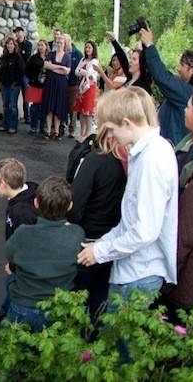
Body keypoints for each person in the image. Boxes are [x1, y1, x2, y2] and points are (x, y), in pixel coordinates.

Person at [77, 87, 179, 311]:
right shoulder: (149, 151)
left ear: (126, 122)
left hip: (139, 273)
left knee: (120, 343)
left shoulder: (151, 160)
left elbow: (144, 231)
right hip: (134, 270)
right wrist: (101, 244)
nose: (110, 136)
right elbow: (131, 220)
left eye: (111, 129)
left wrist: (100, 251)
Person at [5, 177, 84, 331]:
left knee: (17, 348)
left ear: (36, 203)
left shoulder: (23, 233)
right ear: (70, 206)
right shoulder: (77, 234)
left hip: (23, 304)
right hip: (57, 307)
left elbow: (9, 254)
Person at [67, 127, 127, 322]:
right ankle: (94, 339)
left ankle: (79, 338)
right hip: (114, 243)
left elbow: (75, 205)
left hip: (88, 241)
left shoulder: (94, 160)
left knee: (78, 298)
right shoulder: (131, 164)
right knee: (101, 296)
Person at [161, 90, 193, 321]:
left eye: (189, 107)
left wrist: (167, 280)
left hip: (189, 285)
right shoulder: (190, 143)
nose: (184, 110)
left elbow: (185, 236)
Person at [0, 158, 38, 323]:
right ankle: (6, 308)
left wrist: (14, 265)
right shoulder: (27, 192)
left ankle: (12, 316)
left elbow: (26, 245)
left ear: (3, 183)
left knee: (14, 284)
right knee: (11, 283)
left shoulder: (21, 211)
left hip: (23, 264)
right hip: (18, 260)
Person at [140, 25, 193, 145]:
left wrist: (149, 45)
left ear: (192, 70)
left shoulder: (187, 93)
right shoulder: (190, 90)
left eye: (182, 65)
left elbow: (162, 77)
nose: (177, 69)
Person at [41, 35, 71, 140]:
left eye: (61, 43)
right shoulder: (51, 54)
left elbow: (67, 71)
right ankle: (48, 131)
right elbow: (46, 65)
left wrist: (52, 67)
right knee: (49, 107)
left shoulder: (67, 56)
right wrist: (60, 67)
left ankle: (57, 132)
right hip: (50, 83)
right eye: (57, 42)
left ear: (64, 44)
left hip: (61, 85)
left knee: (58, 107)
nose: (58, 45)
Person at [0, 37, 25, 135]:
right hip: (4, 84)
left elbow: (21, 72)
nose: (10, 45)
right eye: (8, 44)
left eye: (11, 44)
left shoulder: (18, 57)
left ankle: (13, 126)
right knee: (5, 106)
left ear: (14, 45)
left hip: (14, 85)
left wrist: (15, 83)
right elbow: (1, 70)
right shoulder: (4, 56)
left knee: (13, 106)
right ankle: (5, 125)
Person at [74, 41, 100, 142]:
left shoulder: (95, 61)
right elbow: (76, 71)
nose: (87, 49)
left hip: (90, 88)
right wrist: (82, 72)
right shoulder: (83, 59)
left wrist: (86, 73)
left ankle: (88, 133)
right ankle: (82, 131)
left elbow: (94, 75)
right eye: (86, 48)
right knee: (81, 110)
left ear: (93, 49)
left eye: (89, 47)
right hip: (82, 88)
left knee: (87, 111)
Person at [25, 40, 48, 135]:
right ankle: (34, 127)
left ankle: (43, 127)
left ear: (46, 46)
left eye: (42, 45)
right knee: (34, 107)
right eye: (38, 45)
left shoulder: (50, 57)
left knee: (43, 107)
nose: (40, 47)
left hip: (46, 86)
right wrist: (32, 79)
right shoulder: (33, 58)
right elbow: (26, 70)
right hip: (35, 85)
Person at [14, 27, 32, 123]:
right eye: (16, 33)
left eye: (19, 32)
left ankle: (27, 117)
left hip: (25, 74)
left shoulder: (28, 44)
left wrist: (19, 52)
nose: (18, 34)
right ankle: (15, 117)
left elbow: (27, 57)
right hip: (15, 74)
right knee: (14, 96)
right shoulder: (14, 43)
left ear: (23, 33)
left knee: (26, 97)